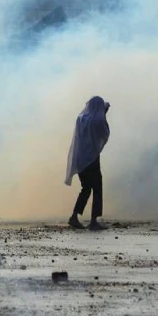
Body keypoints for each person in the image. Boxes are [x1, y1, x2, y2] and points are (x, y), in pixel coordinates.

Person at [65, 96, 110, 231]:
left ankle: (74, 216)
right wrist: (105, 113)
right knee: (97, 188)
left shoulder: (81, 118)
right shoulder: (98, 120)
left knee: (86, 188)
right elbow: (104, 133)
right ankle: (94, 220)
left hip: (79, 158)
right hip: (91, 159)